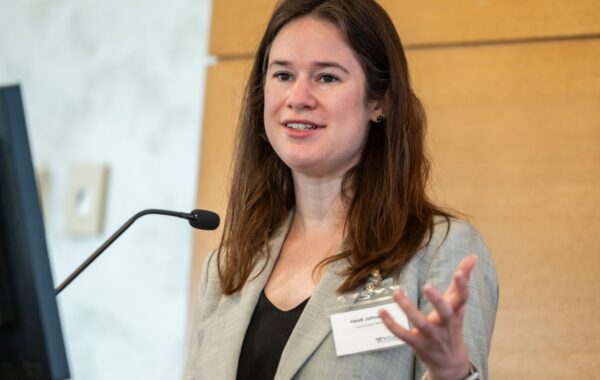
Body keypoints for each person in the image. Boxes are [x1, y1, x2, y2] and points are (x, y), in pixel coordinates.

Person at [184, 0, 498, 379]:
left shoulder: (438, 249)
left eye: (327, 77)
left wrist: (451, 372)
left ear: (379, 102)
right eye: (283, 75)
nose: (298, 97)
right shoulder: (225, 269)